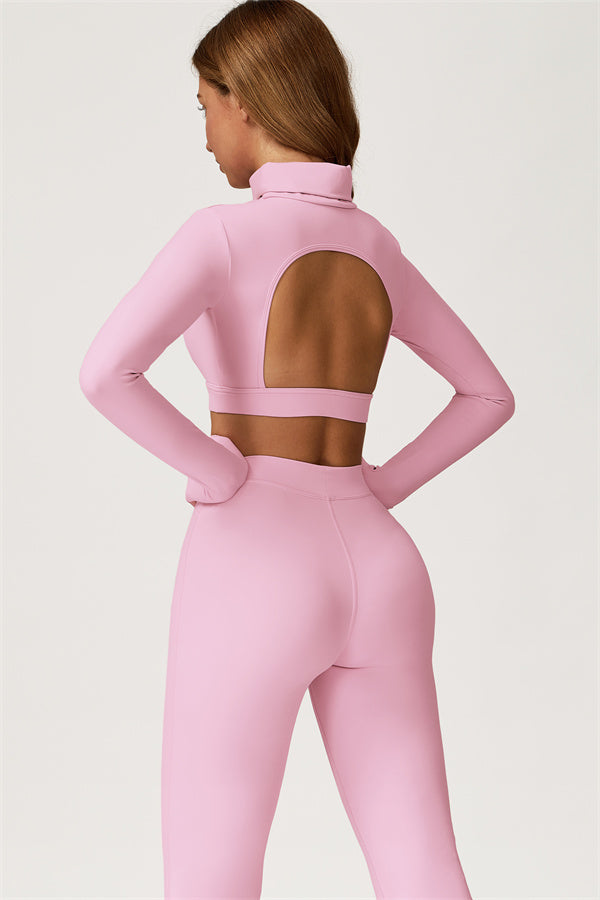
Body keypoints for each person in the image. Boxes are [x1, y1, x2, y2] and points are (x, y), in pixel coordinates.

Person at [78, 1, 515, 897]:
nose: (205, 135)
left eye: (205, 106)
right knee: (422, 863)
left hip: (252, 560)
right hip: (382, 566)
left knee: (211, 871)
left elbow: (105, 373)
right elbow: (489, 395)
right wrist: (380, 488)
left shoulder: (221, 233)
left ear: (244, 100)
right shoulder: (375, 243)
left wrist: (217, 470)